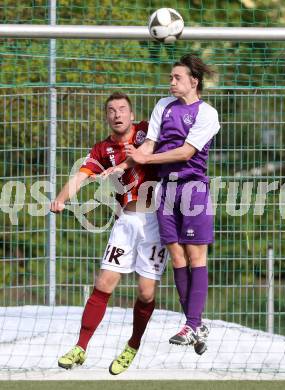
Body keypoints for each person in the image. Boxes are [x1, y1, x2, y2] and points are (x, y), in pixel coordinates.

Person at [51, 92, 168, 375]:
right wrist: (61, 198)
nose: (117, 114)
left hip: (155, 223)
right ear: (107, 117)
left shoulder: (146, 132)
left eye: (122, 109)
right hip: (125, 223)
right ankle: (80, 347)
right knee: (103, 283)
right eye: (112, 110)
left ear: (131, 114)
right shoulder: (103, 149)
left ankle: (132, 345)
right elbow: (81, 175)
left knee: (146, 291)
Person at [125, 54, 220, 355]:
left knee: (195, 256)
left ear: (194, 81)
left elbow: (185, 152)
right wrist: (134, 156)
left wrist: (146, 158)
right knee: (177, 257)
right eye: (170, 77)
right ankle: (195, 324)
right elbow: (151, 143)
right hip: (166, 188)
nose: (171, 82)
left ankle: (192, 325)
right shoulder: (163, 106)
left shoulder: (207, 114)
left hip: (193, 188)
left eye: (177, 77)